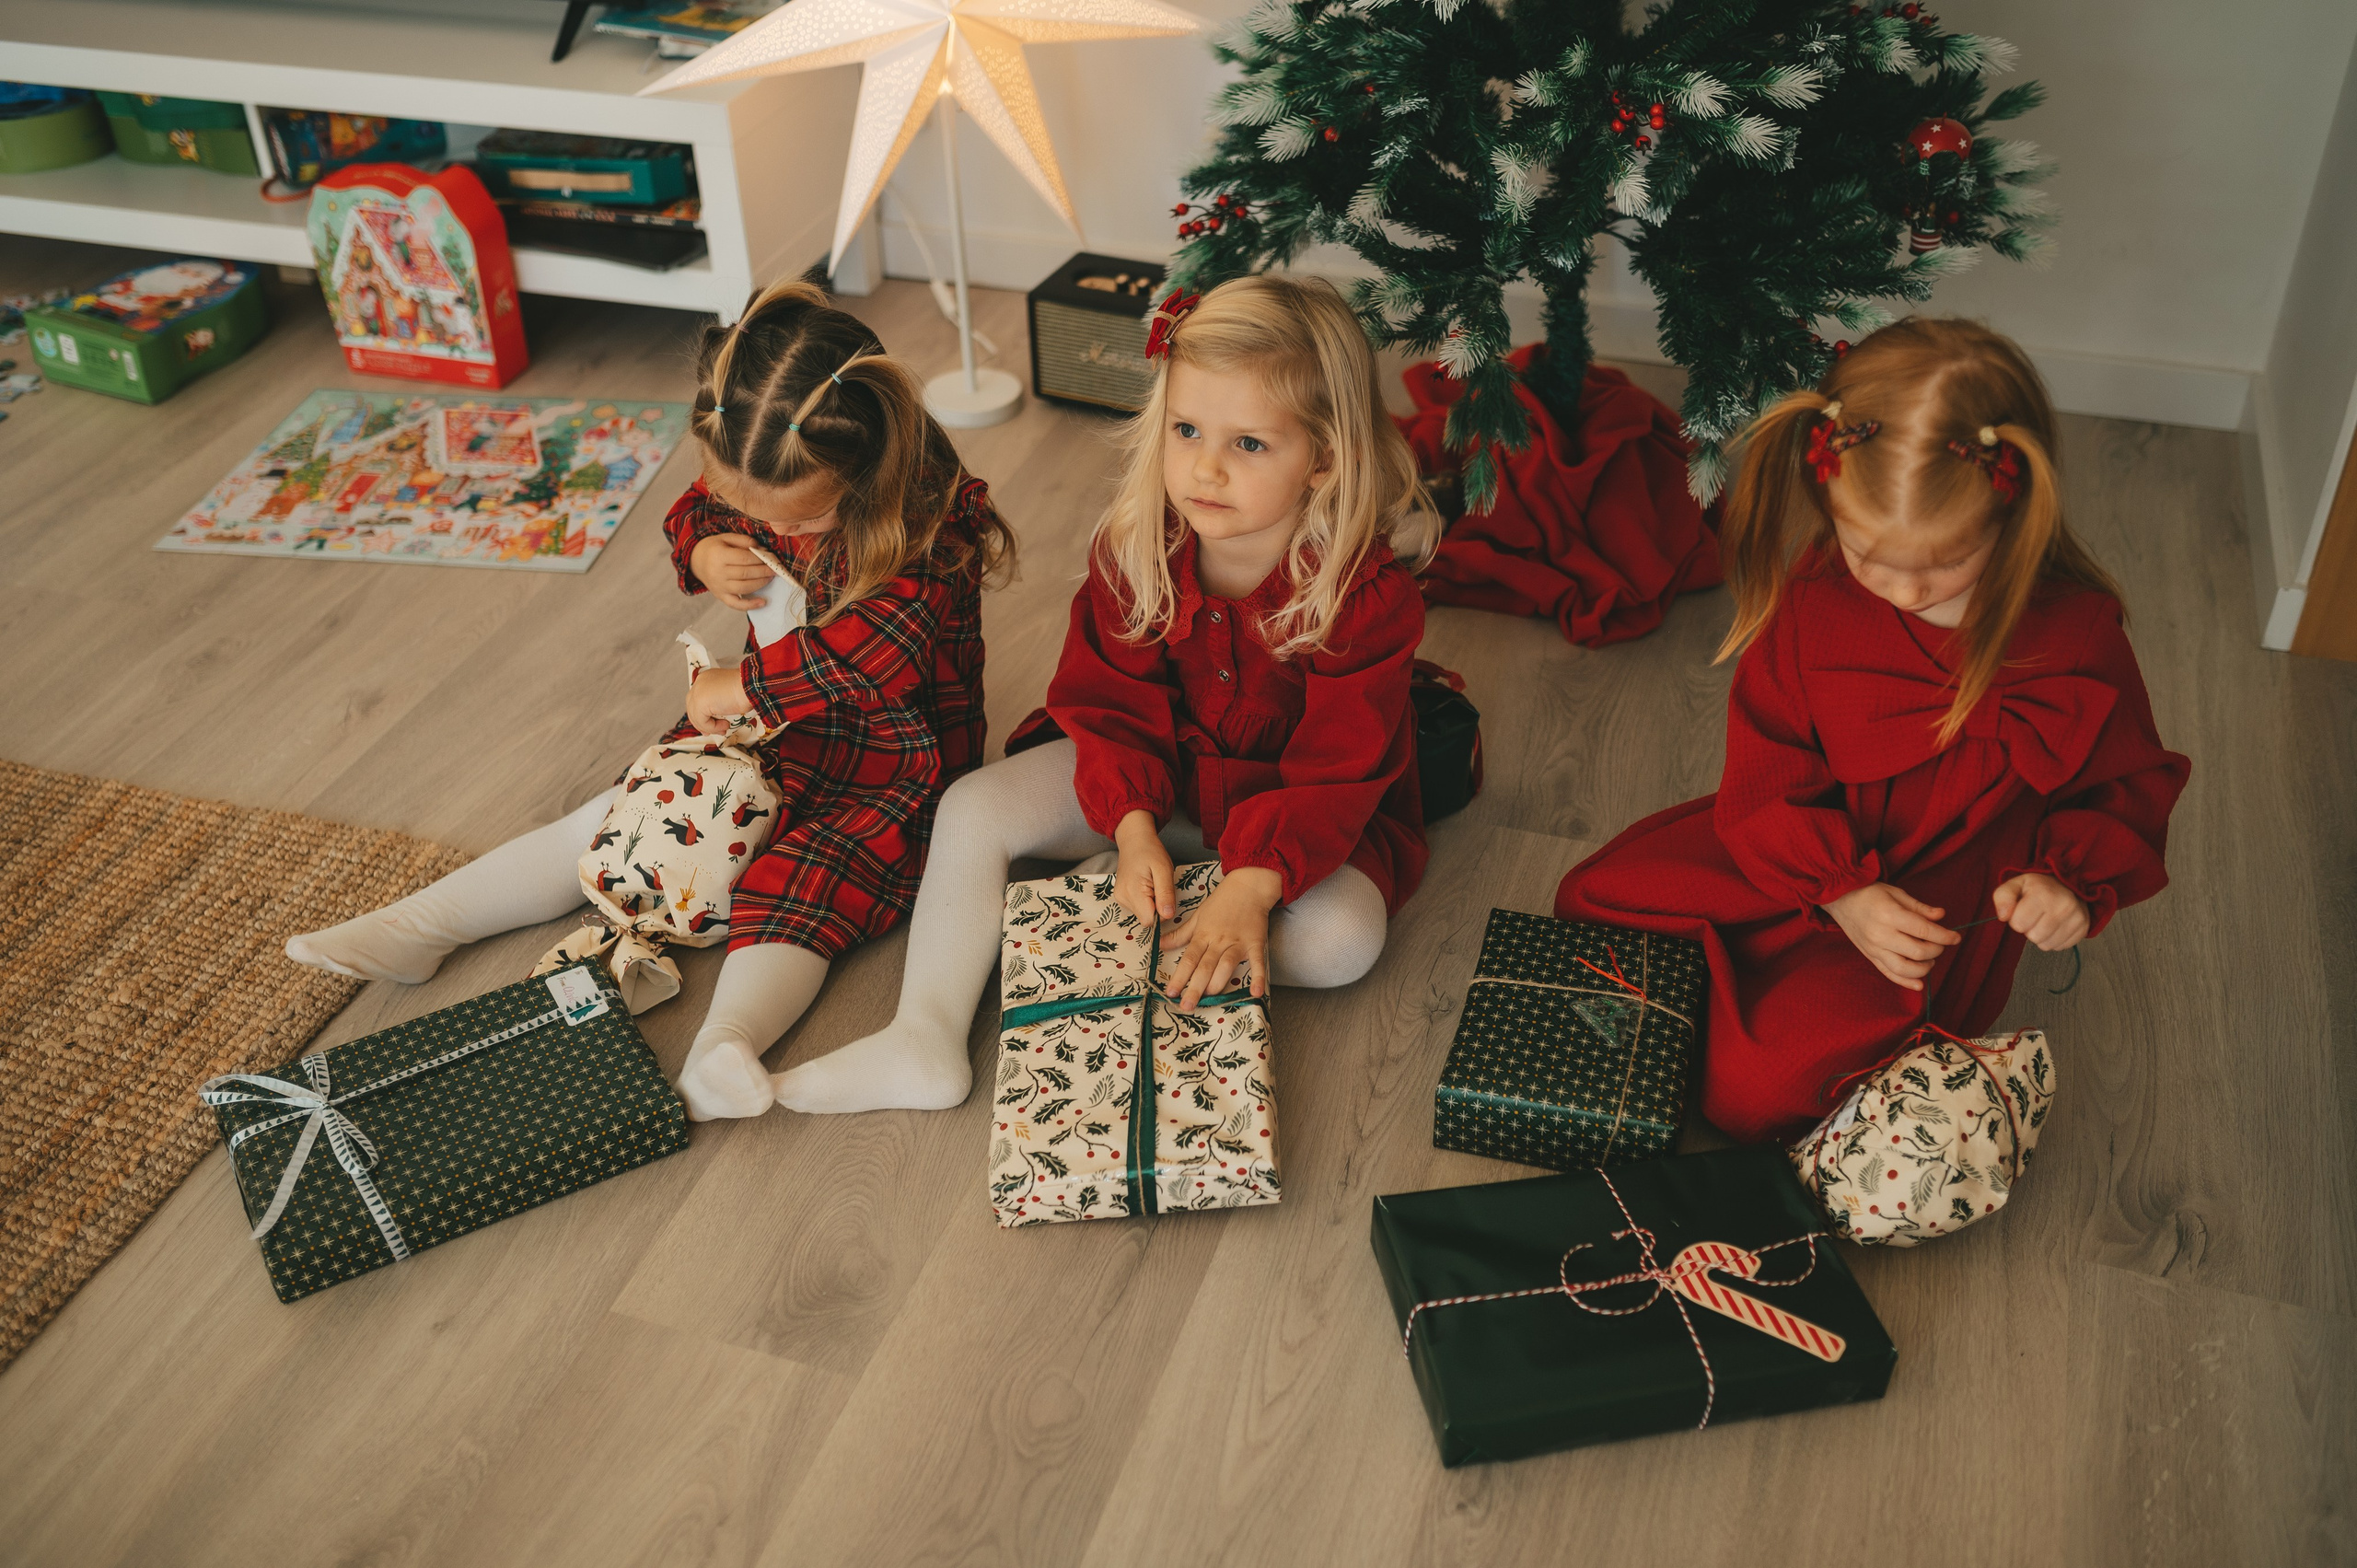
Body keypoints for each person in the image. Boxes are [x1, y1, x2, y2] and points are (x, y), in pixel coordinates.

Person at [286, 279, 1015, 1121]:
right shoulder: (763, 462)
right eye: (738, 499)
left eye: (793, 519)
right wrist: (706, 548)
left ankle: (726, 1043)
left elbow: (867, 660)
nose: (756, 519)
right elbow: (695, 509)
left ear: (865, 472)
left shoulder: (927, 528)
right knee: (628, 806)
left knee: (800, 881)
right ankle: (427, 924)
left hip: (890, 763)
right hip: (768, 729)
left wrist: (737, 683)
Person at [775, 273, 1442, 1115]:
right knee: (975, 808)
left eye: (1250, 445)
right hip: (1157, 785)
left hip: (1293, 821)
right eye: (1188, 428)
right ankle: (924, 1034)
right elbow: (1109, 700)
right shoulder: (1137, 547)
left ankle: (1160, 910)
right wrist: (1131, 830)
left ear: (1324, 460)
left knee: (1346, 940)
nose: (1204, 467)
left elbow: (1341, 763)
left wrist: (1254, 883)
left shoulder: (1366, 597)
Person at [1557, 318, 2189, 1144]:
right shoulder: (1819, 597)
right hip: (1808, 852)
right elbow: (1767, 768)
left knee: (1760, 1094)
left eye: (1938, 566)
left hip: (1930, 915)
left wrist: (2069, 884)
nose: (1896, 586)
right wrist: (1840, 888)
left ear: (2013, 516)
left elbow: (2129, 781)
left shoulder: (2074, 638)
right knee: (1593, 900)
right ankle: (1725, 1002)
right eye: (1866, 553)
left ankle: (1744, 1028)